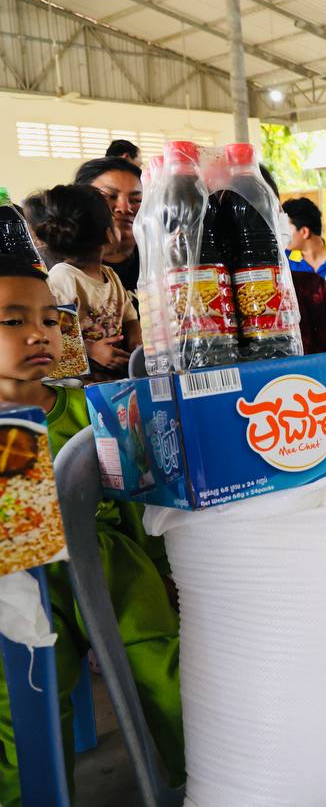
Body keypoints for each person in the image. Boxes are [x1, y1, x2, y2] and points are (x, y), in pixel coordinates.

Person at [0, 256, 183, 802]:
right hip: (16, 589)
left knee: (163, 667)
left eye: (50, 319)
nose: (39, 333)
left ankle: (204, 777)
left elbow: (136, 505)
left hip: (110, 565)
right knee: (20, 705)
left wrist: (163, 570)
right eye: (13, 320)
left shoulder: (94, 409)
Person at [32, 185, 141, 381]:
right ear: (109, 234)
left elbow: (130, 318)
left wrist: (136, 341)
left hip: (111, 381)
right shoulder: (63, 279)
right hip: (76, 385)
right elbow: (53, 335)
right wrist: (91, 350)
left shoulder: (110, 275)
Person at [75, 156, 143, 296]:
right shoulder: (60, 269)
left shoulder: (160, 259)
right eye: (110, 196)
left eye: (136, 200)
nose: (125, 208)